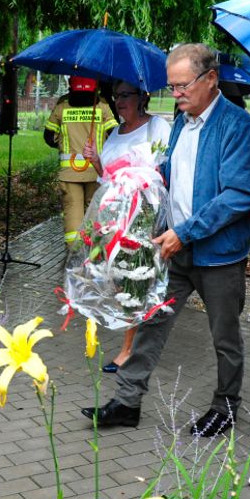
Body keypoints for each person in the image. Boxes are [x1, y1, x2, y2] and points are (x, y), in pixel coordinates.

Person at [80, 43, 250, 436]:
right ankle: (127, 401)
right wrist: (138, 193)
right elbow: (172, 176)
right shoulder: (181, 122)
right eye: (171, 86)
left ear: (211, 79)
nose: (175, 94)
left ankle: (226, 407)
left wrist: (185, 231)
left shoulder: (237, 125)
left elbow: (239, 195)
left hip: (218, 255)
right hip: (174, 246)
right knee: (151, 322)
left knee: (225, 336)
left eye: (182, 86)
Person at [81, 80, 172, 372]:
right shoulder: (115, 134)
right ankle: (137, 337)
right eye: (116, 96)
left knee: (135, 279)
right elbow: (107, 178)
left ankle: (128, 350)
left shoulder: (157, 127)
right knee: (119, 279)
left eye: (125, 95)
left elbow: (165, 171)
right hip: (113, 217)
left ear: (142, 97)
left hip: (142, 214)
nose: (119, 101)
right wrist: (96, 161)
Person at [45, 76, 118, 246]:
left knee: (73, 213)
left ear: (71, 86)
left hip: (70, 173)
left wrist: (64, 143)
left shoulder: (63, 105)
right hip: (96, 171)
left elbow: (48, 137)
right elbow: (115, 135)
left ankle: (75, 252)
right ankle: (95, 252)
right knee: (95, 212)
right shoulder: (102, 105)